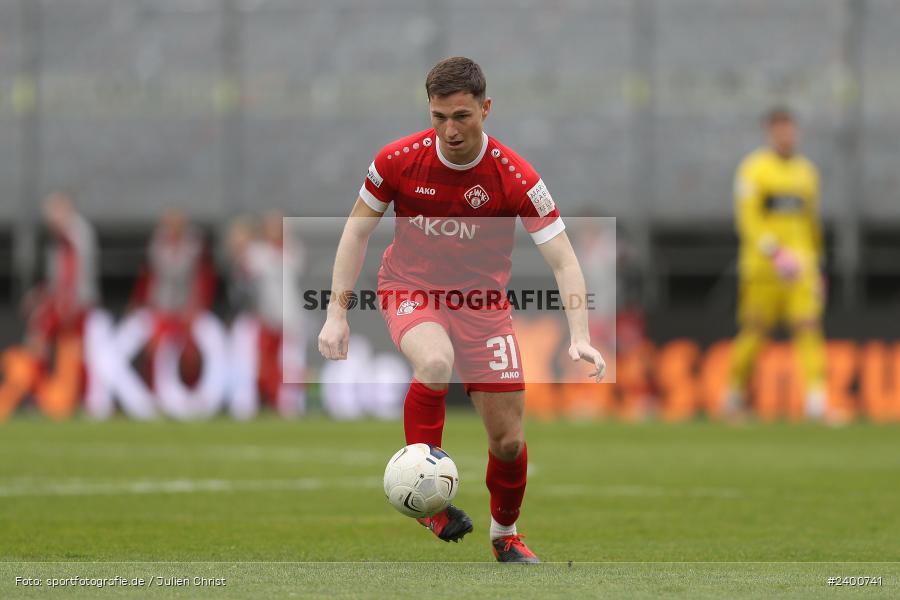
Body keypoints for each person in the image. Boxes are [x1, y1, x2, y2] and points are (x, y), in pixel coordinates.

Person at [318, 57, 605, 563]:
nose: (449, 130)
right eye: (438, 117)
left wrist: (578, 333)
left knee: (510, 442)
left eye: (462, 117)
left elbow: (563, 259)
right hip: (410, 286)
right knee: (433, 362)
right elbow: (356, 231)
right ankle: (429, 501)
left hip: (483, 305)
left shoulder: (515, 175)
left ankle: (505, 535)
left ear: (486, 109)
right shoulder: (397, 160)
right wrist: (336, 314)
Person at [726, 107, 826, 420]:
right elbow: (748, 219)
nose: (787, 136)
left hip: (802, 268)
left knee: (808, 328)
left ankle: (816, 403)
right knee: (755, 331)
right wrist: (774, 252)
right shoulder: (754, 170)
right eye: (781, 130)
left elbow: (811, 223)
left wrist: (818, 265)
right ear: (770, 133)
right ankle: (733, 395)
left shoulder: (807, 172)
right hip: (763, 268)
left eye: (791, 130)